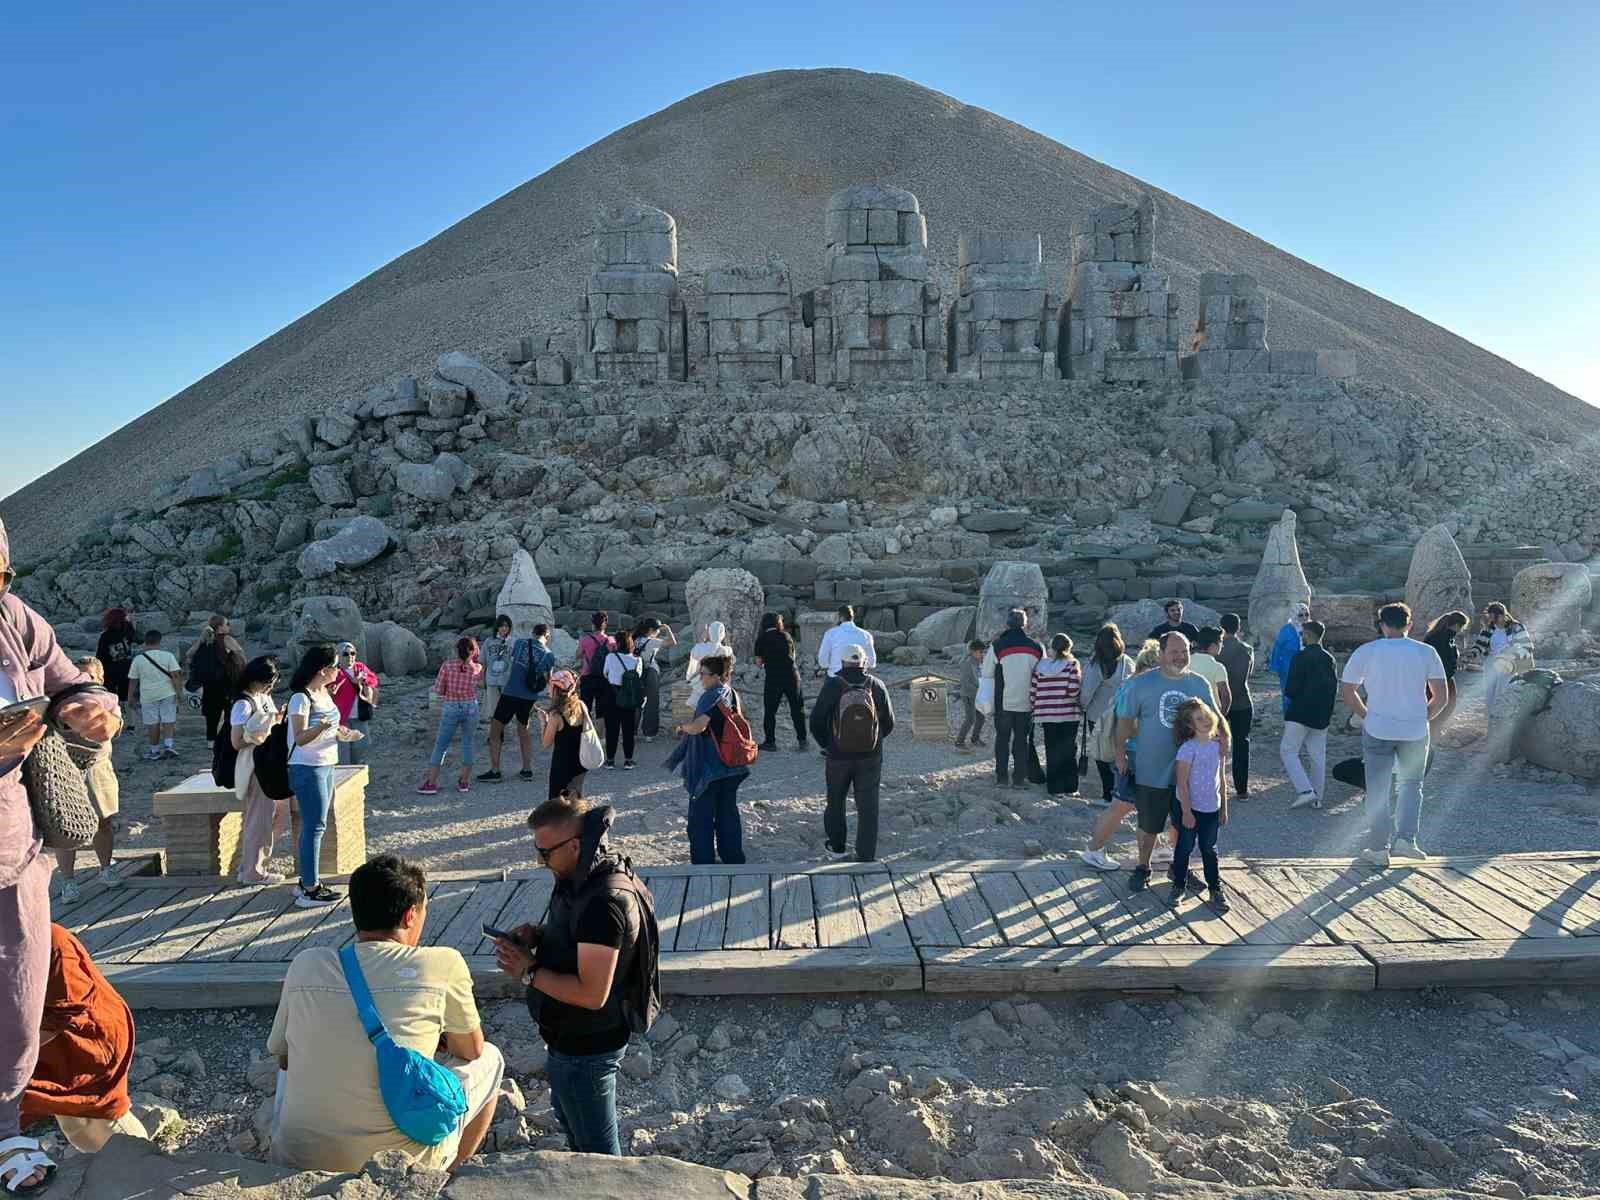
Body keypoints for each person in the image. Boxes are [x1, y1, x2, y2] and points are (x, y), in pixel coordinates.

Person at [1, 516, 122, 1195]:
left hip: (12, 847)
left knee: (16, 988)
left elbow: (69, 681)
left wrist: (91, 707)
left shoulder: (13, 618)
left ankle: (5, 1123)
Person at [266, 854, 502, 1173]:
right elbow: (470, 1050)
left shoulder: (307, 963)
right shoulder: (444, 962)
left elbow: (284, 1059)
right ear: (409, 916)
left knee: (294, 1058)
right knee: (491, 1058)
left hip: (299, 1156)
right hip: (395, 1163)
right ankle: (444, 1177)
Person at [492, 796, 652, 1156]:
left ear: (576, 845)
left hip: (588, 1046)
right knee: (576, 1131)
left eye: (545, 853)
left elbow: (592, 993)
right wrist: (540, 934)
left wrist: (527, 971)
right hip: (571, 1041)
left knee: (597, 1154)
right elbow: (580, 938)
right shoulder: (581, 876)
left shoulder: (602, 902)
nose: (540, 861)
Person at [1114, 632, 1229, 892]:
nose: (1180, 657)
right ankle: (1143, 867)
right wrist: (1120, 752)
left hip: (1190, 770)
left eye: (1184, 651)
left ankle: (1180, 868)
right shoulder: (1142, 684)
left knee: (1184, 824)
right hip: (1151, 767)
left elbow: (1215, 715)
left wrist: (1224, 738)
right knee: (1149, 823)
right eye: (1174, 652)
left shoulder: (1198, 683)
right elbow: (1125, 721)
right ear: (1162, 654)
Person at [22, 925, 149, 1156]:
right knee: (73, 1122)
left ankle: (144, 1170)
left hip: (83, 1044)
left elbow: (66, 1012)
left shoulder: (46, 939)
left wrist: (10, 1053)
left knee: (99, 1118)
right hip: (38, 1048)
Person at [1340, 603, 1448, 866]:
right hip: (1414, 729)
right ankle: (1406, 841)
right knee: (1412, 785)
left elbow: (1348, 691)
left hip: (1379, 727)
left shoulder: (1367, 651)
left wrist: (1366, 715)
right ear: (1409, 624)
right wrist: (1423, 717)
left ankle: (1378, 848)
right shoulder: (1426, 652)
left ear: (1382, 625)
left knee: (1377, 789)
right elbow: (1441, 696)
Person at [1078, 638, 1161, 870]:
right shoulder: (1139, 687)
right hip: (1136, 755)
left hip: (1135, 754)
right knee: (1121, 807)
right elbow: (1130, 725)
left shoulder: (1131, 684)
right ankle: (1094, 850)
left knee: (1142, 807)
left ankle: (1155, 851)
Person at [286, 644, 359, 908]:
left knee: (318, 824)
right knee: (314, 825)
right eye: (336, 666)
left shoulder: (324, 694)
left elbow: (328, 728)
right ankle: (309, 887)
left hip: (326, 764)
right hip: (307, 767)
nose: (339, 670)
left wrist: (342, 733)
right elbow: (301, 737)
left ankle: (308, 881)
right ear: (322, 670)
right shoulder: (301, 698)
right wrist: (322, 727)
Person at [809, 643, 895, 861]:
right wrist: (873, 741)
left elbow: (816, 721)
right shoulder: (876, 685)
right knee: (868, 806)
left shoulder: (832, 685)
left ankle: (837, 847)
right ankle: (866, 855)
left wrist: (828, 745)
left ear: (842, 662)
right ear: (864, 662)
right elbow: (890, 722)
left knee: (836, 801)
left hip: (838, 756)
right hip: (870, 757)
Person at [665, 655, 748, 864]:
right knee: (727, 815)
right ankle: (733, 859)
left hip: (710, 768)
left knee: (700, 821)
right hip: (732, 765)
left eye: (704, 674)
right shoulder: (733, 693)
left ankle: (703, 864)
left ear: (718, 675)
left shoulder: (710, 696)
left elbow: (700, 726)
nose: (701, 678)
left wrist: (682, 726)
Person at [54, 658, 121, 904]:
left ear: (99, 679)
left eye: (90, 676)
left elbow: (111, 730)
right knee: (64, 828)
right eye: (80, 675)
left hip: (97, 769)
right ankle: (68, 882)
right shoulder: (61, 703)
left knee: (103, 821)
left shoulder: (108, 702)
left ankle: (106, 869)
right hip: (64, 770)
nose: (85, 680)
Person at [1167, 699, 1230, 913]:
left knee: (1209, 849)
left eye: (1206, 715)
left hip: (1211, 808)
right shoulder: (1188, 749)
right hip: (1189, 808)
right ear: (1190, 726)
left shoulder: (1217, 746)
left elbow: (1221, 777)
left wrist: (1224, 807)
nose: (1205, 720)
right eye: (1199, 719)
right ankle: (1178, 886)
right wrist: (1186, 811)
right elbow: (1182, 782)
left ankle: (1215, 888)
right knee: (1184, 847)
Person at [232, 655, 289, 886]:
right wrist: (261, 732)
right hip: (255, 765)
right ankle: (253, 871)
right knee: (259, 819)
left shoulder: (263, 697)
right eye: (270, 681)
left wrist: (276, 719)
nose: (272, 686)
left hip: (269, 763)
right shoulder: (243, 704)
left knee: (275, 816)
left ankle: (253, 864)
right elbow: (237, 741)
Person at [482, 624, 555, 783]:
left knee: (495, 731)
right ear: (547, 637)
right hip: (529, 697)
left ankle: (495, 771)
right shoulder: (549, 655)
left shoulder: (521, 643)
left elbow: (513, 660)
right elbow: (549, 680)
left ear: (533, 632)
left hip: (511, 693)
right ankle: (527, 769)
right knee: (524, 731)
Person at [981, 609, 1043, 791]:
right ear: (1026, 625)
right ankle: (1019, 779)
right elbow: (1043, 673)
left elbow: (986, 673)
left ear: (1007, 625)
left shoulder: (998, 646)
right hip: (1027, 703)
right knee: (1021, 741)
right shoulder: (1037, 647)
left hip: (1003, 703)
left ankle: (1001, 778)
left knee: (1002, 740)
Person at [1281, 619, 1337, 810]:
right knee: (1317, 756)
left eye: (1302, 634)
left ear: (1308, 635)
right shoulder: (1329, 658)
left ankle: (1305, 791)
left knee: (1288, 751)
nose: (1301, 637)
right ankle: (1318, 799)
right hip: (1321, 715)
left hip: (1299, 712)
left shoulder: (1300, 657)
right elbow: (1333, 689)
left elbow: (1291, 688)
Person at [421, 637, 482, 796]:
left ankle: (432, 783)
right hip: (471, 707)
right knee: (468, 743)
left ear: (457, 650)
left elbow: (439, 690)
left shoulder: (447, 666)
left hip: (452, 707)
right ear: (474, 651)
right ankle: (464, 782)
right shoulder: (477, 668)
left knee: (441, 745)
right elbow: (481, 686)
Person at [1079, 625, 1133, 804]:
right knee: (1121, 752)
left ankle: (1108, 794)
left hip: (1099, 716)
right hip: (1123, 715)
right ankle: (1122, 792)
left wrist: (1082, 707)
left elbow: (1087, 692)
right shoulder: (1127, 662)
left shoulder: (1096, 664)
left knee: (1102, 755)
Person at [1030, 634, 1083, 798]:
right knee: (1068, 751)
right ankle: (1071, 787)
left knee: (1052, 750)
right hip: (1068, 715)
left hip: (1046, 715)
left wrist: (1036, 707)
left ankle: (1055, 788)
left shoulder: (1040, 666)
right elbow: (1073, 690)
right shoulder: (1072, 664)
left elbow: (1033, 692)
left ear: (1052, 647)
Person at [186, 615, 245, 743]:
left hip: (209, 683)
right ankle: (229, 739)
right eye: (227, 624)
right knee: (230, 712)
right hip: (226, 682)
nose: (229, 626)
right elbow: (240, 655)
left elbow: (189, 654)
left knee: (212, 714)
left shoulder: (204, 640)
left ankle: (210, 741)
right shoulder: (226, 639)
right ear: (220, 627)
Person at [1421, 609, 1470, 762]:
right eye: (1461, 626)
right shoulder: (1440, 638)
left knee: (1446, 705)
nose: (1461, 630)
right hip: (1439, 678)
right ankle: (1432, 732)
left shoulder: (1442, 636)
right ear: (1456, 625)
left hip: (1443, 676)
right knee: (1444, 705)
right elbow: (1443, 659)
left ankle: (1434, 730)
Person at [1215, 613, 1255, 799]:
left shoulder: (1216, 649)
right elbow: (1247, 675)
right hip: (1241, 702)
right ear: (1239, 628)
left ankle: (1213, 786)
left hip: (1217, 702)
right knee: (1241, 745)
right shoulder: (1245, 649)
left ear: (1221, 627)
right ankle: (1242, 789)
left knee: (1213, 744)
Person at [753, 613, 806, 753]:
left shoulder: (761, 639)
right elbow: (793, 656)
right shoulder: (787, 636)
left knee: (770, 711)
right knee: (797, 709)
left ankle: (770, 742)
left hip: (774, 677)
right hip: (792, 675)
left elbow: (759, 663)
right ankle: (803, 740)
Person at [127, 628, 182, 761]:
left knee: (153, 723)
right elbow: (175, 675)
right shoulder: (168, 656)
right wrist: (179, 692)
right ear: (160, 641)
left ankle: (155, 750)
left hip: (148, 695)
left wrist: (130, 697)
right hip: (167, 692)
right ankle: (168, 746)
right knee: (168, 719)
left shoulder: (138, 659)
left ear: (145, 642)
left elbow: (133, 681)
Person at [1473, 601, 1535, 716]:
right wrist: (1471, 654)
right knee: (1489, 692)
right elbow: (1479, 646)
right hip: (1490, 662)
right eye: (1490, 617)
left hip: (1508, 662)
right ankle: (1492, 718)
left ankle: (1501, 717)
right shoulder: (1488, 629)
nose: (1492, 620)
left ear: (1502, 615)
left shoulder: (1516, 627)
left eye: (1494, 617)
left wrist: (1511, 653)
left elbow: (1528, 647)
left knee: (1502, 690)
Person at [537, 670, 589, 800]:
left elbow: (545, 743)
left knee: (558, 807)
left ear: (556, 689)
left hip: (562, 767)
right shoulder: (581, 706)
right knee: (575, 803)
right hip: (579, 764)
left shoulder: (556, 715)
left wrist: (544, 722)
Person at [330, 641, 379, 766]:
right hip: (342, 719)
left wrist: (364, 680)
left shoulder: (360, 667)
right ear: (338, 656)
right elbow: (328, 690)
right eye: (346, 654)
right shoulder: (334, 671)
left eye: (353, 653)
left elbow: (373, 679)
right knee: (343, 750)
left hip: (359, 716)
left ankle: (354, 768)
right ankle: (344, 775)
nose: (350, 656)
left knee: (362, 744)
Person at [601, 631, 643, 770]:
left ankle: (610, 760)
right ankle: (628, 760)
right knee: (628, 729)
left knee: (611, 729)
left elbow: (605, 673)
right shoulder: (637, 659)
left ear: (617, 643)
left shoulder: (610, 657)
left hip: (612, 694)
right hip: (629, 695)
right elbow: (638, 676)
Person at [94, 609, 138, 733]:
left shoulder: (105, 636)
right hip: (127, 669)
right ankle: (131, 725)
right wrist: (131, 619)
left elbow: (100, 656)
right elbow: (133, 630)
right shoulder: (127, 631)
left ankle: (114, 724)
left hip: (110, 671)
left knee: (111, 698)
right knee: (127, 697)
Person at [633, 618, 677, 743]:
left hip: (635, 672)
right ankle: (649, 733)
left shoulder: (635, 640)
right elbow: (672, 642)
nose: (658, 632)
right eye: (657, 630)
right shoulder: (651, 641)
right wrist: (668, 629)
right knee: (652, 703)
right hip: (650, 672)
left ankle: (632, 731)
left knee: (636, 702)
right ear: (651, 630)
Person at [1269, 602, 1312, 714]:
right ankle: (1289, 717)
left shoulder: (1312, 628)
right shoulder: (1287, 629)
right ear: (1294, 615)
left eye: (1306, 614)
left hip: (1307, 667)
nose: (1304, 617)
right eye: (1300, 615)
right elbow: (1277, 648)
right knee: (1288, 693)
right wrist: (1275, 666)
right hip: (1288, 668)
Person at [684, 621, 733, 710]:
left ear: (709, 633)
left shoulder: (699, 648)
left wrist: (704, 637)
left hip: (701, 683)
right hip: (719, 684)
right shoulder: (727, 650)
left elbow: (693, 664)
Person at [816, 605, 876, 677]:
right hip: (860, 678)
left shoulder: (830, 633)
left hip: (837, 678)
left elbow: (822, 661)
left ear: (840, 617)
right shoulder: (866, 635)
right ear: (852, 617)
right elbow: (872, 663)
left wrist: (832, 666)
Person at [576, 613, 615, 722]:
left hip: (587, 676)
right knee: (601, 711)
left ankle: (585, 735)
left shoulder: (585, 639)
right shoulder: (612, 641)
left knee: (585, 708)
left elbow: (577, 655)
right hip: (604, 677)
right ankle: (600, 737)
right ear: (605, 624)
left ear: (593, 625)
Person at [1187, 626, 1233, 715]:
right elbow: (1226, 696)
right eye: (1220, 642)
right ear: (1213, 645)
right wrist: (1221, 717)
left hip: (1189, 713)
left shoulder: (1186, 662)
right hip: (1211, 715)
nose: (1222, 646)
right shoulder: (1217, 667)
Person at [953, 639, 988, 752]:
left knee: (981, 717)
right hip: (969, 694)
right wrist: (978, 690)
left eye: (983, 652)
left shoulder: (978, 661)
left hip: (978, 694)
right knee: (970, 718)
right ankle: (959, 741)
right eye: (980, 652)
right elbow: (965, 682)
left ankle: (975, 738)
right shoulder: (968, 663)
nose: (983, 654)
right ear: (973, 651)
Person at [481, 616, 514, 728]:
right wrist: (483, 679)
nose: (504, 628)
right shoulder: (488, 642)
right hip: (492, 680)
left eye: (506, 626)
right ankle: (494, 734)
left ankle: (500, 731)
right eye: (501, 626)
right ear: (497, 627)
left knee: (504, 709)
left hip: (507, 680)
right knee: (492, 710)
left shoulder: (513, 642)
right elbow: (484, 662)